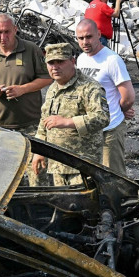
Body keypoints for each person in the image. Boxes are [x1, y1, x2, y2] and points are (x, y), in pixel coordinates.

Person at [32, 43, 109, 185]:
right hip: (58, 164)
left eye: (60, 62)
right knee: (63, 206)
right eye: (51, 63)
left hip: (82, 166)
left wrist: (68, 122)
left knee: (84, 206)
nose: (55, 67)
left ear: (72, 62)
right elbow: (44, 121)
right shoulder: (53, 88)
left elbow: (102, 117)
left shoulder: (89, 87)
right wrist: (39, 151)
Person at [75, 19, 135, 176]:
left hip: (109, 130)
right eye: (80, 38)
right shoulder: (81, 59)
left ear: (99, 35)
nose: (85, 42)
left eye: (89, 37)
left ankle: (119, 201)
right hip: (88, 129)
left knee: (113, 176)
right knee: (90, 175)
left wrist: (121, 110)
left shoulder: (112, 60)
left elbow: (128, 96)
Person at [0, 13, 53, 135]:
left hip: (31, 125)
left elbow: (47, 78)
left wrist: (22, 89)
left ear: (15, 30)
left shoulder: (31, 50)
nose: (3, 37)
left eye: (7, 32)